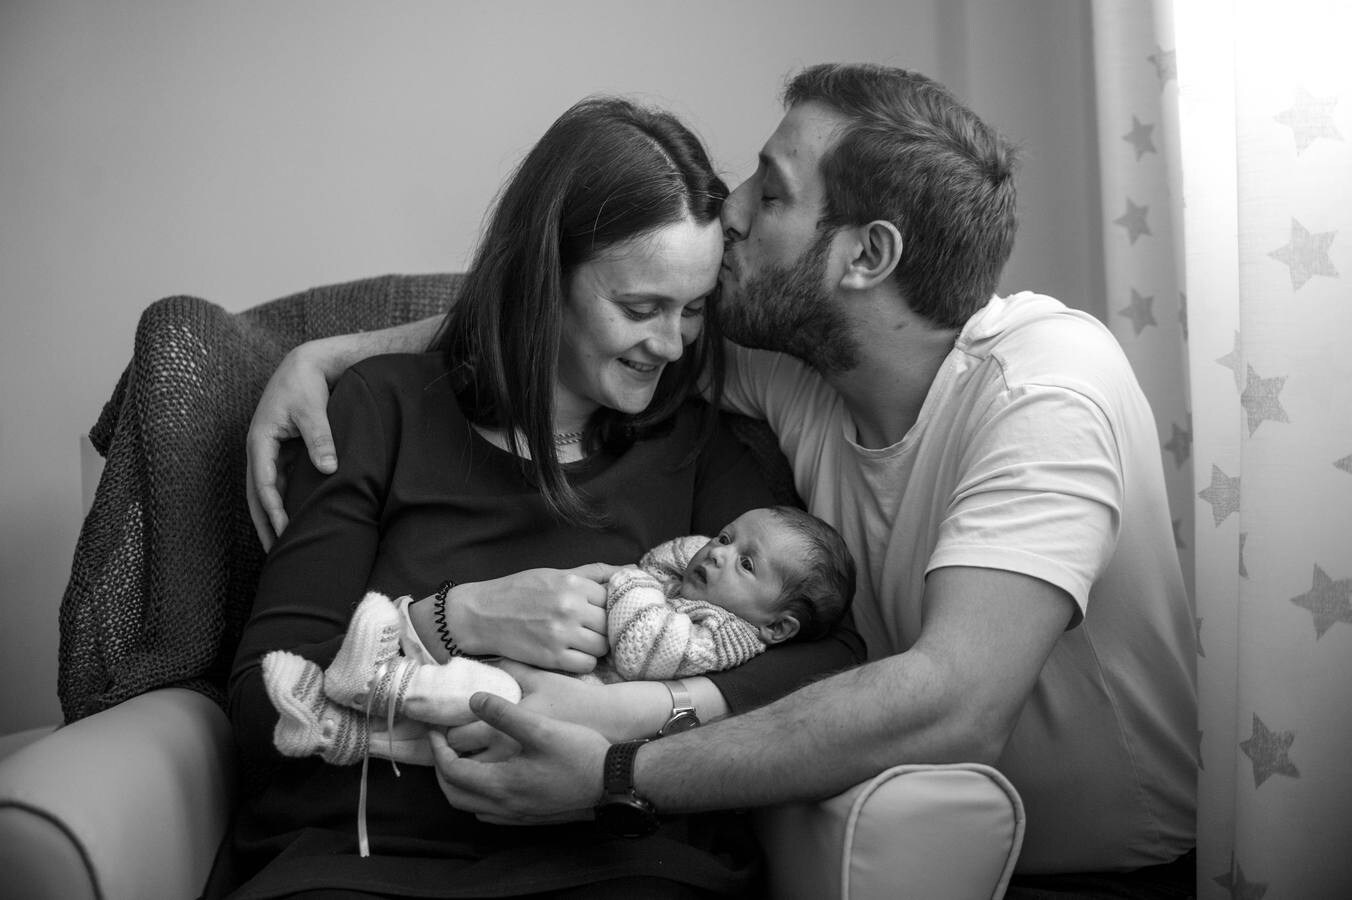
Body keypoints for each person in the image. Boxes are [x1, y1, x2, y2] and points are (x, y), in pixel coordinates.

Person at [247, 64, 1198, 897]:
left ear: (865, 257)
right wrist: (325, 359)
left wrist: (619, 761)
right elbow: (558, 306)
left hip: (1103, 872)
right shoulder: (784, 368)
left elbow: (949, 700)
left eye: (772, 192)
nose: (730, 206)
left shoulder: (1046, 386)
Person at [228, 95, 864, 899]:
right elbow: (260, 708)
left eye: (695, 310)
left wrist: (635, 716)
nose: (671, 345)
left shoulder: (696, 447)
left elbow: (830, 657)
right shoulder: (377, 412)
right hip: (366, 860)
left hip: (618, 861)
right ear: (544, 280)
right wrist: (455, 619)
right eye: (640, 308)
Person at [259, 505, 856, 771]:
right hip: (554, 697)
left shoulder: (727, 637)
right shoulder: (712, 596)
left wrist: (633, 582)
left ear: (778, 627)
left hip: (563, 721)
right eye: (725, 537)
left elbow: (646, 647)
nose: (720, 553)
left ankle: (376, 681)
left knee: (481, 690)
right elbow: (665, 560)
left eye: (746, 564)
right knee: (456, 714)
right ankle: (339, 728)